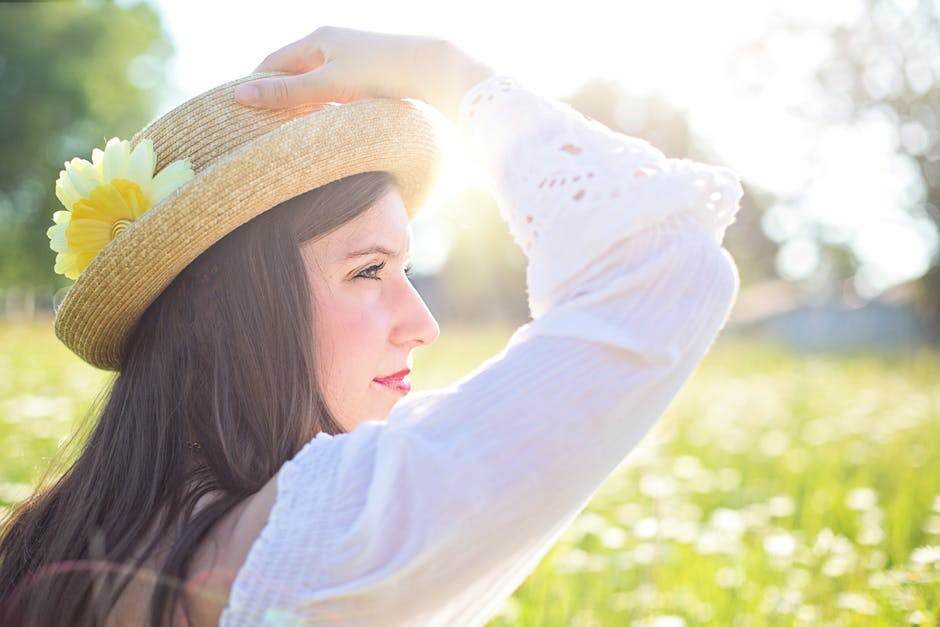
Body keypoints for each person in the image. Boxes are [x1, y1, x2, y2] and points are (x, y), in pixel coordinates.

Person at [0, 26, 742, 626]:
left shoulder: (51, 538)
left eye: (407, 272)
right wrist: (443, 69)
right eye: (367, 271)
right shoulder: (324, 539)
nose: (421, 325)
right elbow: (673, 269)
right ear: (221, 310)